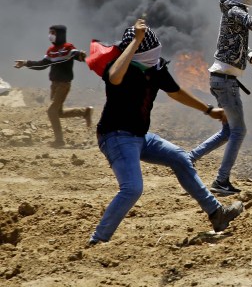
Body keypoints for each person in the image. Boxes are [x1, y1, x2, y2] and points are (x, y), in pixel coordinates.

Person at [89, 19, 243, 245]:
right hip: (116, 137)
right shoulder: (121, 67)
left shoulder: (155, 68)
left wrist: (208, 109)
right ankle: (98, 240)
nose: (154, 56)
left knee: (180, 158)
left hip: (140, 137)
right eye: (148, 51)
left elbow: (175, 92)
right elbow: (114, 77)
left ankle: (216, 214)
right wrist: (136, 42)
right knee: (132, 188)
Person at [189, 0, 252, 196]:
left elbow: (237, 43)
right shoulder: (236, 10)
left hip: (222, 79)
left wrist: (251, 57)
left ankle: (189, 158)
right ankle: (221, 181)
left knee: (228, 131)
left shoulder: (233, 10)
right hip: (225, 82)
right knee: (239, 131)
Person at [14, 25, 93, 147]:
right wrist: (25, 63)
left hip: (63, 85)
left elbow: (77, 55)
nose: (50, 35)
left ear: (60, 34)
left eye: (53, 33)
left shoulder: (67, 48)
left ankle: (59, 141)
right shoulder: (51, 51)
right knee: (58, 113)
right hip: (54, 85)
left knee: (51, 111)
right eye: (50, 32)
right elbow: (42, 64)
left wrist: (81, 55)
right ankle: (85, 112)